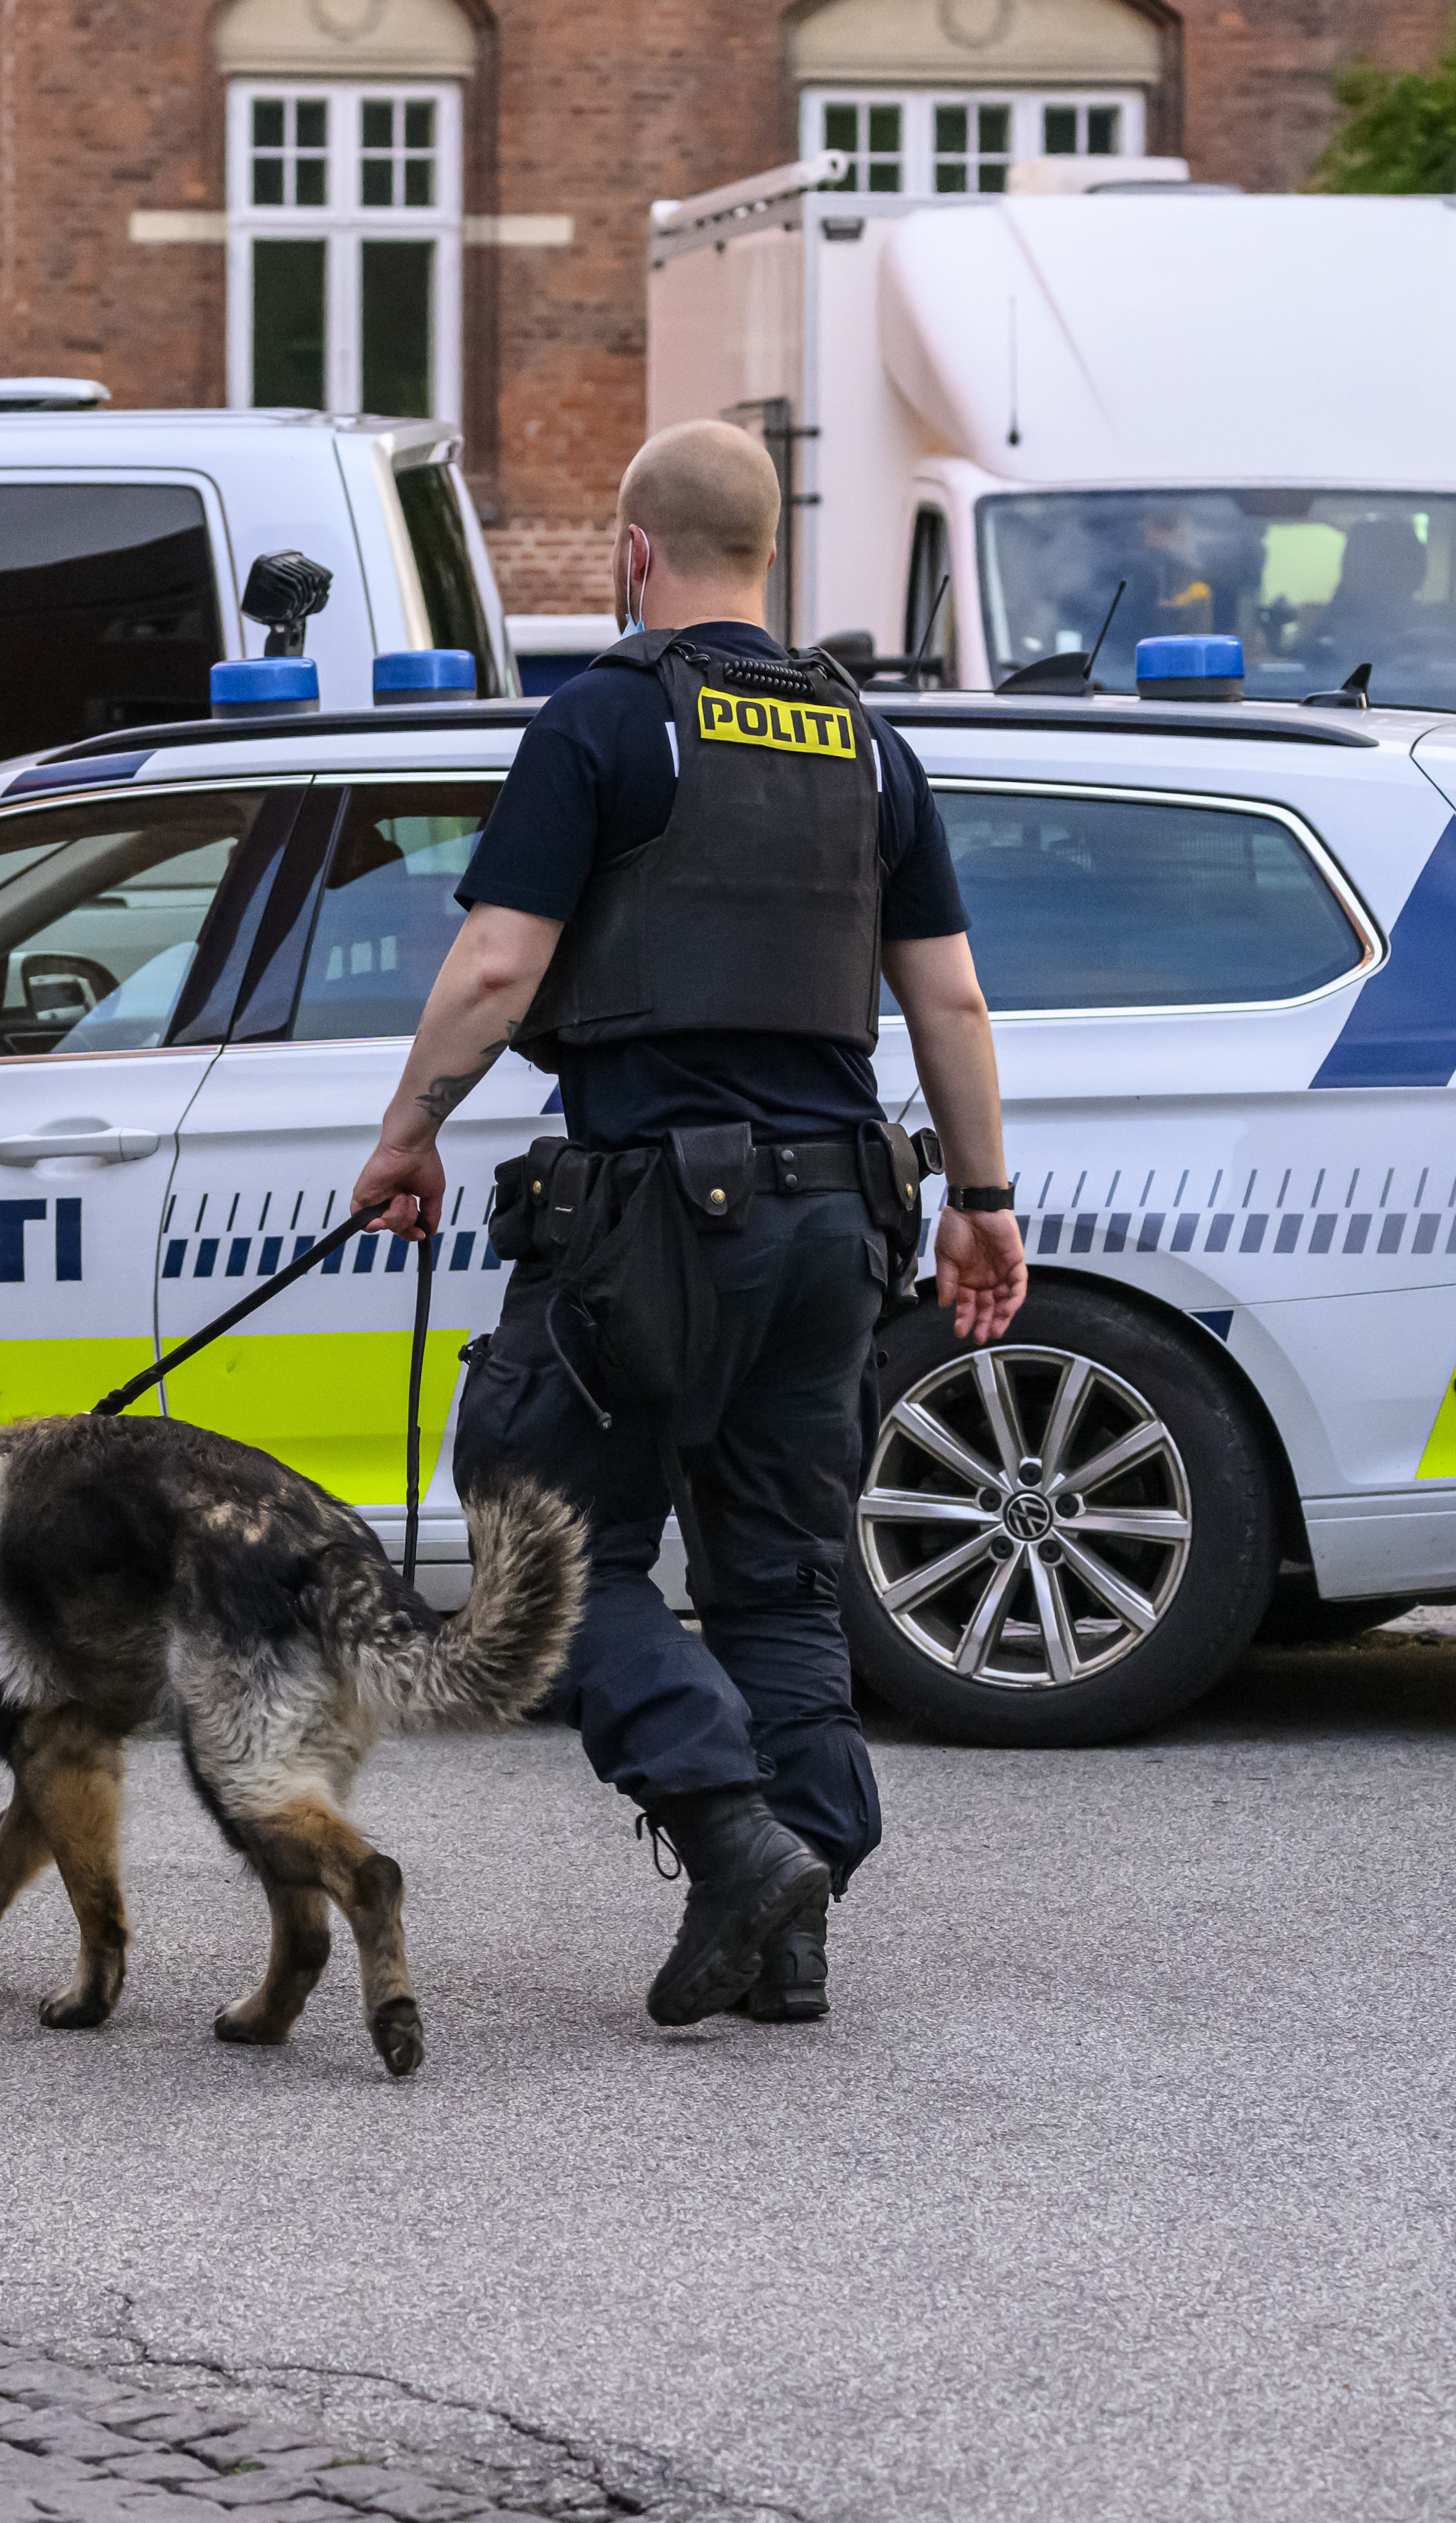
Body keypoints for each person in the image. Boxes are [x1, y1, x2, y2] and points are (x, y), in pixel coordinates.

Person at [348, 420, 1026, 2030]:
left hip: (655, 1221)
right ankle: (795, 1908)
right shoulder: (868, 744)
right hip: (842, 1217)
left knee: (543, 1534)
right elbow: (952, 1001)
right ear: (767, 560)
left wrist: (406, 1134)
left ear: (631, 558)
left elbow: (502, 966)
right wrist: (985, 1205)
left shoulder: (603, 722)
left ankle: (732, 1835)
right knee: (780, 1576)